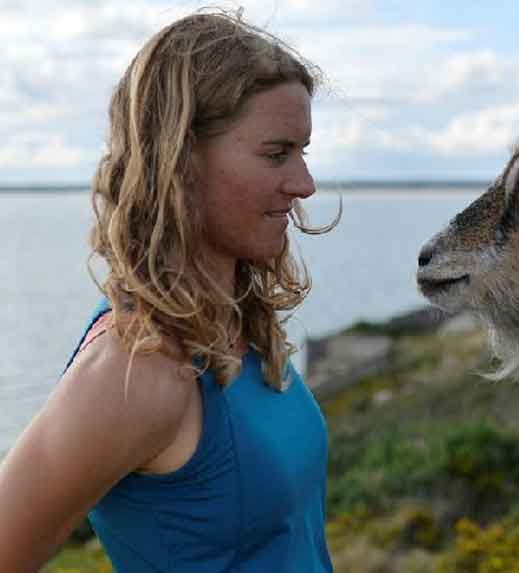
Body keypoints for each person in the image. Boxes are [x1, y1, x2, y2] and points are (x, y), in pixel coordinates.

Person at [0, 10, 336, 572]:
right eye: (277, 154)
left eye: (304, 152)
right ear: (179, 158)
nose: (304, 184)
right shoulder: (134, 368)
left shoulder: (239, 326)